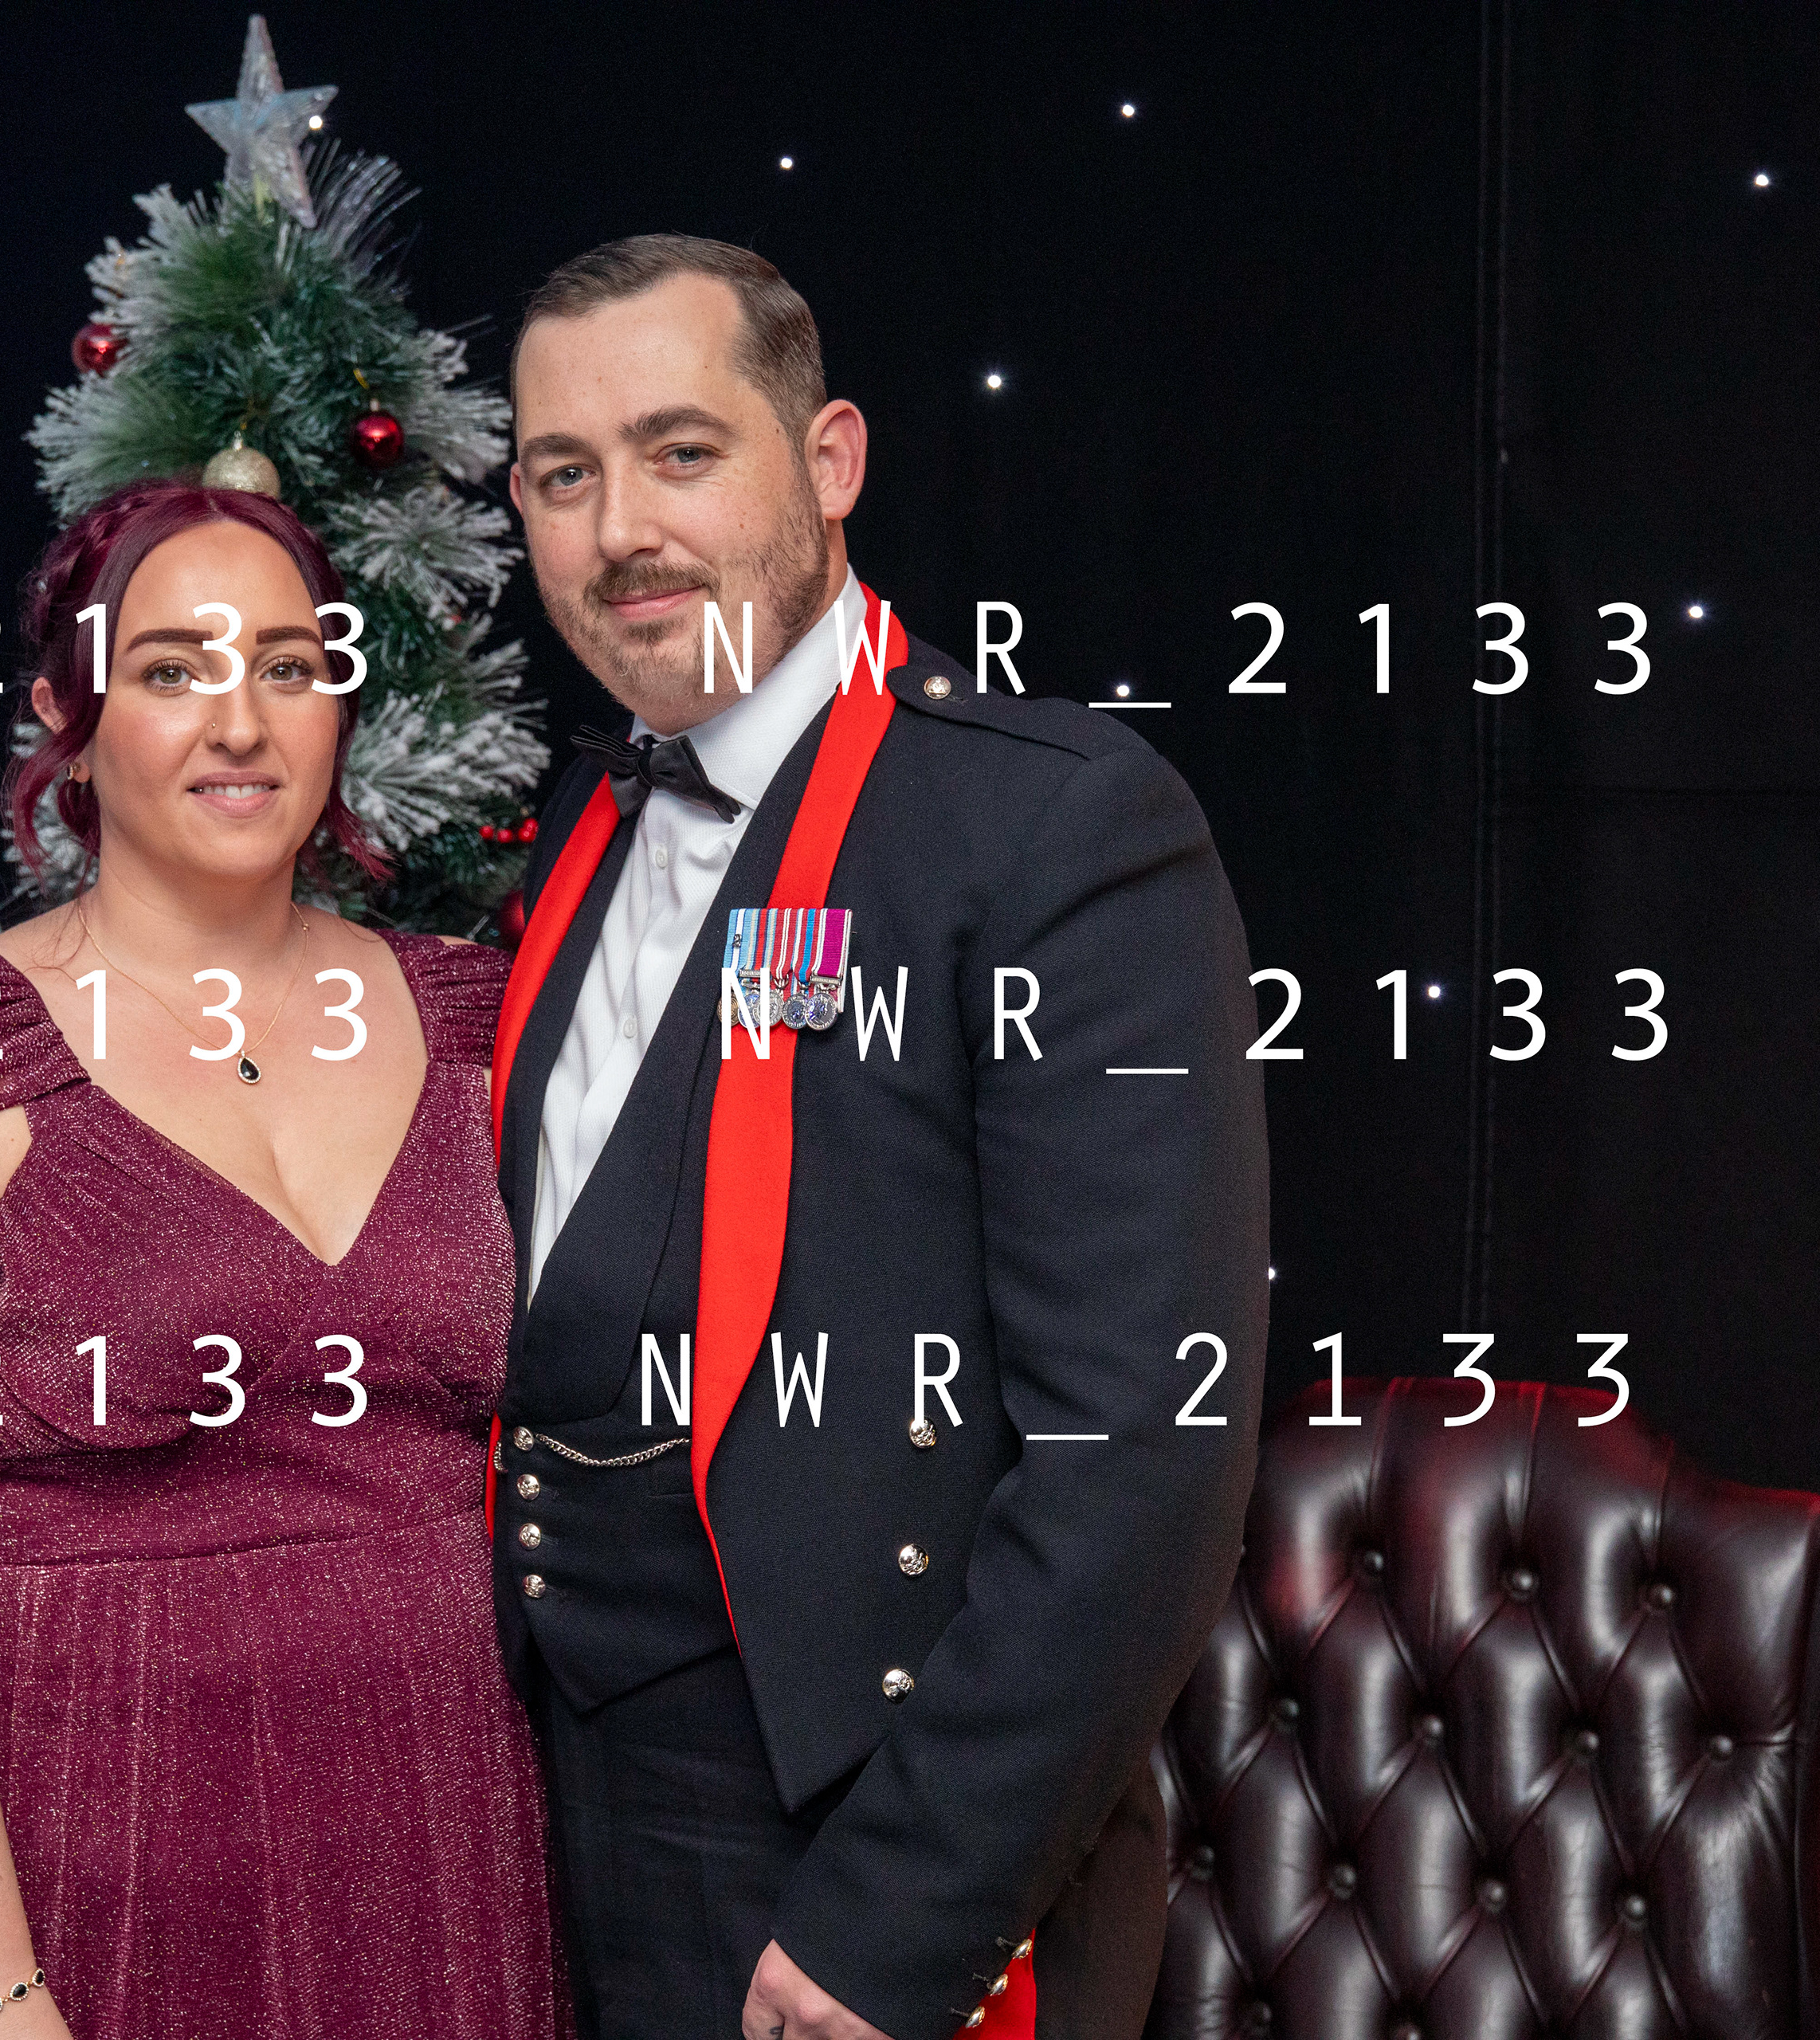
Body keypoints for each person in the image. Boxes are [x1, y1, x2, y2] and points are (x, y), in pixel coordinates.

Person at [488, 235, 1271, 2040]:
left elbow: (1139, 1455)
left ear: (829, 460)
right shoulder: (580, 836)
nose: (621, 530)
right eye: (563, 474)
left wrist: (902, 1917)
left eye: (683, 451)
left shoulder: (1060, 825)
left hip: (858, 1845)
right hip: (560, 1818)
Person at [0, 478, 567, 2040]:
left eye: (287, 665)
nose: (239, 722)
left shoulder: (482, 1018)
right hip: (85, 1858)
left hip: (445, 1838)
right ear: (70, 716)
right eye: (173, 669)